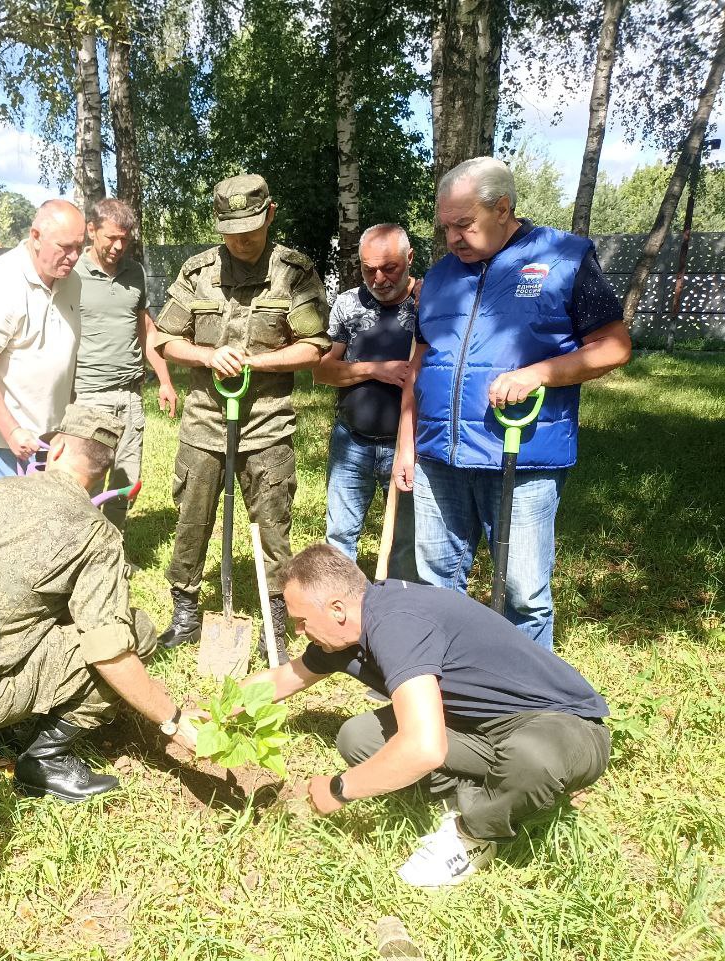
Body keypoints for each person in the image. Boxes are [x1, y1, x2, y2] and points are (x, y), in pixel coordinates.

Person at [247, 544, 611, 888]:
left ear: (337, 609)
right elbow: (283, 678)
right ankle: (496, 792)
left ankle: (473, 834)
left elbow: (424, 748)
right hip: (477, 732)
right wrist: (214, 713)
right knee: (360, 739)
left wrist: (340, 790)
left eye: (301, 621)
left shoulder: (397, 623)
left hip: (561, 725)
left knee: (532, 758)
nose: (297, 632)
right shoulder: (346, 636)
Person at [394, 156, 632, 650]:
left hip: (521, 453)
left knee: (522, 590)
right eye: (446, 227)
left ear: (503, 208)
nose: (453, 238)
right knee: (437, 580)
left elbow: (614, 346)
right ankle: (452, 683)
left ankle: (529, 701)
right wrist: (405, 443)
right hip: (441, 455)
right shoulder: (438, 278)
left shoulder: (564, 258)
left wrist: (538, 373)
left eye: (464, 224)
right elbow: (419, 364)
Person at [0, 405, 200, 803]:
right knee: (137, 630)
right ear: (104, 471)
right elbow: (109, 652)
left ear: (59, 447)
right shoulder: (95, 534)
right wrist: (172, 719)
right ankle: (45, 758)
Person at [152, 173, 331, 663]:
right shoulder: (198, 271)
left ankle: (276, 616)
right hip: (205, 422)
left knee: (273, 523)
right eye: (232, 231)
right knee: (191, 519)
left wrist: (254, 361)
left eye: (252, 228)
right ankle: (185, 613)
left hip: (268, 424)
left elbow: (316, 345)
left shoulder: (292, 271)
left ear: (270, 214)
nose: (243, 239)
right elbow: (165, 339)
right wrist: (209, 357)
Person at [314, 223, 418, 582]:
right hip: (352, 439)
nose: (378, 278)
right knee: (340, 535)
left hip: (406, 446)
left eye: (389, 268)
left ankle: (397, 615)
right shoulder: (347, 303)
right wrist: (377, 370)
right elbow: (322, 372)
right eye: (368, 269)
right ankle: (340, 622)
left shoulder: (429, 305)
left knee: (407, 540)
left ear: (410, 259)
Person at [0, 199, 87, 481]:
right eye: (65, 247)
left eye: (80, 246)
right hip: (8, 438)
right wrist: (12, 430)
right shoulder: (0, 281)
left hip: (51, 432)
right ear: (36, 237)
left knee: (50, 515)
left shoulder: (72, 282)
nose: (74, 256)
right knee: (16, 521)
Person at [72, 197, 178, 533]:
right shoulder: (71, 274)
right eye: (111, 237)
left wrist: (165, 380)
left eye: (125, 239)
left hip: (131, 397)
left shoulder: (135, 273)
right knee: (82, 482)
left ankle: (112, 551)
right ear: (92, 230)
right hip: (88, 396)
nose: (119, 246)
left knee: (125, 481)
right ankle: (76, 555)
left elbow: (146, 329)